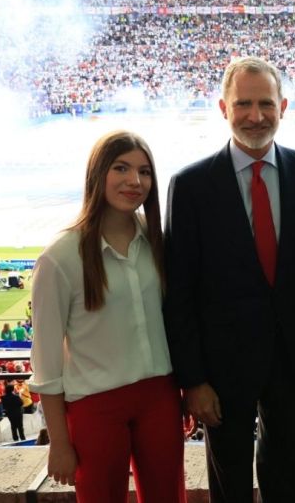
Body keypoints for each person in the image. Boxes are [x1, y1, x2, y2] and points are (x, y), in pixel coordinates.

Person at [163, 56, 295, 502]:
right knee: (228, 482)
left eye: (265, 104)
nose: (255, 116)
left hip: (291, 356)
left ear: (284, 106)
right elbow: (178, 291)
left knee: (285, 476)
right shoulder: (192, 185)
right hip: (221, 367)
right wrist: (193, 379)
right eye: (243, 104)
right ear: (223, 108)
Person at [28, 130, 185, 501]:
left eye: (145, 172)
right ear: (98, 173)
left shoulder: (158, 241)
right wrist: (59, 443)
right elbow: (47, 363)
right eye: (121, 168)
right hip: (95, 406)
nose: (135, 181)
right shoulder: (60, 257)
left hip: (160, 397)